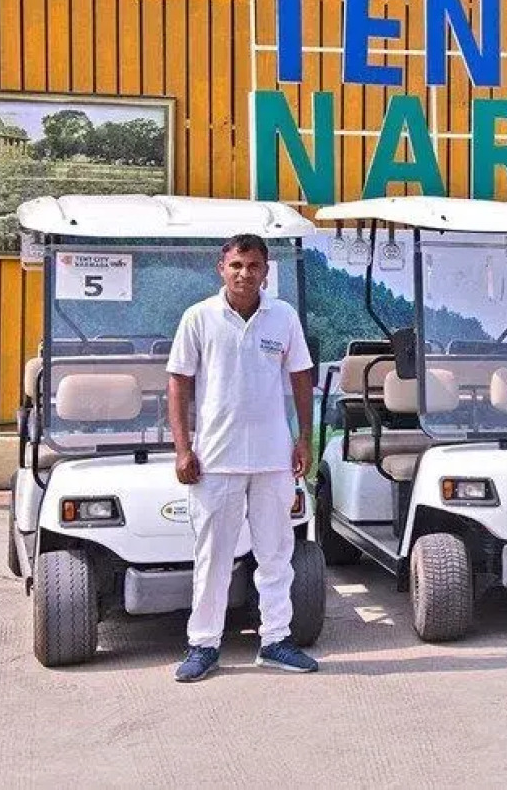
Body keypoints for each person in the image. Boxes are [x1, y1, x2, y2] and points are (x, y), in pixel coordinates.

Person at [166, 233, 320, 681]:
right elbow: (178, 382)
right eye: (236, 265)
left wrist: (304, 439)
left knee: (276, 556)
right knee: (213, 559)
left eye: (253, 266)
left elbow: (302, 377)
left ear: (266, 272)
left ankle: (275, 641)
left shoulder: (283, 317)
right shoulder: (199, 317)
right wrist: (183, 449)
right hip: (215, 459)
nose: (244, 274)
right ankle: (203, 645)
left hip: (273, 458)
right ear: (222, 268)